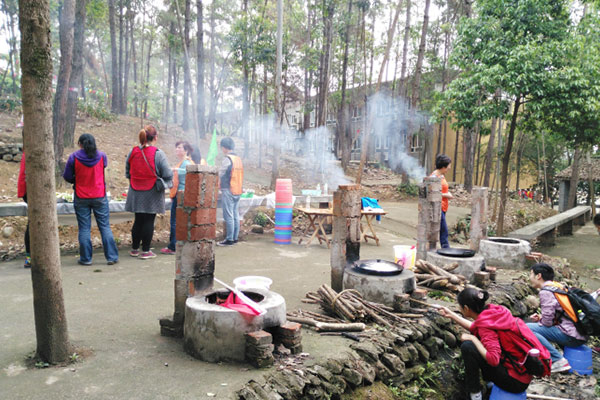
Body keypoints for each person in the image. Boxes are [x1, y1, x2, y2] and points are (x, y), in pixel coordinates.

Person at [438, 288, 546, 400]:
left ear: (466, 308)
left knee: (468, 347)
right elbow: (476, 327)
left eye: (460, 307)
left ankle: (475, 394)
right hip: (523, 375)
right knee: (479, 343)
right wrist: (451, 315)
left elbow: (493, 359)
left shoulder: (485, 326)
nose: (459, 309)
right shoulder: (492, 312)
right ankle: (489, 385)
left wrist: (473, 339)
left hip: (515, 382)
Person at [63, 134, 119, 266]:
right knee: (104, 226)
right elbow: (103, 167)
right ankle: (111, 257)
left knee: (84, 228)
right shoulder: (102, 156)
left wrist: (75, 180)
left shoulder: (73, 157)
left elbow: (67, 176)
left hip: (81, 196)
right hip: (99, 195)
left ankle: (86, 258)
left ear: (80, 144)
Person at [527, 263, 588, 373]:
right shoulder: (558, 287)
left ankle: (557, 360)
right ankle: (561, 358)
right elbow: (561, 313)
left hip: (571, 337)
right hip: (579, 334)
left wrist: (542, 319)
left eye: (531, 274)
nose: (529, 278)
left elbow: (547, 323)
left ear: (538, 276)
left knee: (527, 328)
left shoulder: (546, 291)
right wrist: (541, 317)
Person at [125, 125, 173, 259]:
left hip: (135, 190)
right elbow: (168, 174)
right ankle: (146, 251)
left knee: (138, 220)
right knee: (148, 220)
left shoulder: (133, 152)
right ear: (155, 137)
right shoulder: (158, 154)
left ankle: (134, 249)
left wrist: (136, 181)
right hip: (152, 191)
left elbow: (127, 172)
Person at [161, 141, 194, 255]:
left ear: (186, 150)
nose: (177, 150)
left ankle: (173, 246)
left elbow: (184, 177)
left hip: (181, 194)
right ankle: (178, 244)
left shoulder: (186, 163)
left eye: (180, 148)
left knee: (175, 221)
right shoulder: (182, 163)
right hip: (179, 194)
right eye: (176, 148)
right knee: (179, 221)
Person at [217, 137, 243, 247]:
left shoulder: (228, 159)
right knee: (235, 215)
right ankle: (235, 237)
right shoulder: (238, 159)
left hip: (228, 189)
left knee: (228, 215)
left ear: (224, 147)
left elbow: (221, 173)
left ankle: (229, 239)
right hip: (238, 189)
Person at [430, 154, 453, 248]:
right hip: (437, 207)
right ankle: (446, 248)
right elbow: (430, 193)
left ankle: (442, 247)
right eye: (448, 166)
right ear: (443, 167)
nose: (449, 168)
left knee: (441, 229)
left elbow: (442, 189)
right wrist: (446, 195)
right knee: (444, 230)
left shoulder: (441, 176)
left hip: (443, 206)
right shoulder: (433, 177)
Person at [17, 153, 30, 268]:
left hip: (27, 191)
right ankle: (29, 256)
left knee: (32, 224)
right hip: (30, 191)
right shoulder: (29, 154)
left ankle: (29, 256)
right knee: (32, 224)